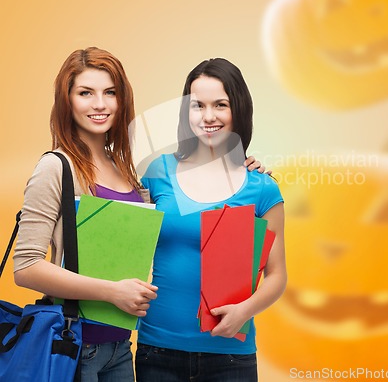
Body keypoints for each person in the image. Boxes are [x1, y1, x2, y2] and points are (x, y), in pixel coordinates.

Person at [13, 48, 265, 382]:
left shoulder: (126, 169)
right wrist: (111, 292)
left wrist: (243, 168)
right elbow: (26, 267)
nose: (100, 104)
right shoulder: (56, 167)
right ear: (67, 101)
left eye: (110, 93)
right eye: (85, 93)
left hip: (121, 348)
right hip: (74, 344)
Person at [135, 58, 287, 382]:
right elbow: (125, 241)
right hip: (156, 352)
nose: (208, 116)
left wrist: (244, 312)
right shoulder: (157, 174)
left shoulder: (261, 187)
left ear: (239, 110)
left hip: (230, 357)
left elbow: (277, 276)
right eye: (197, 105)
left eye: (221, 105)